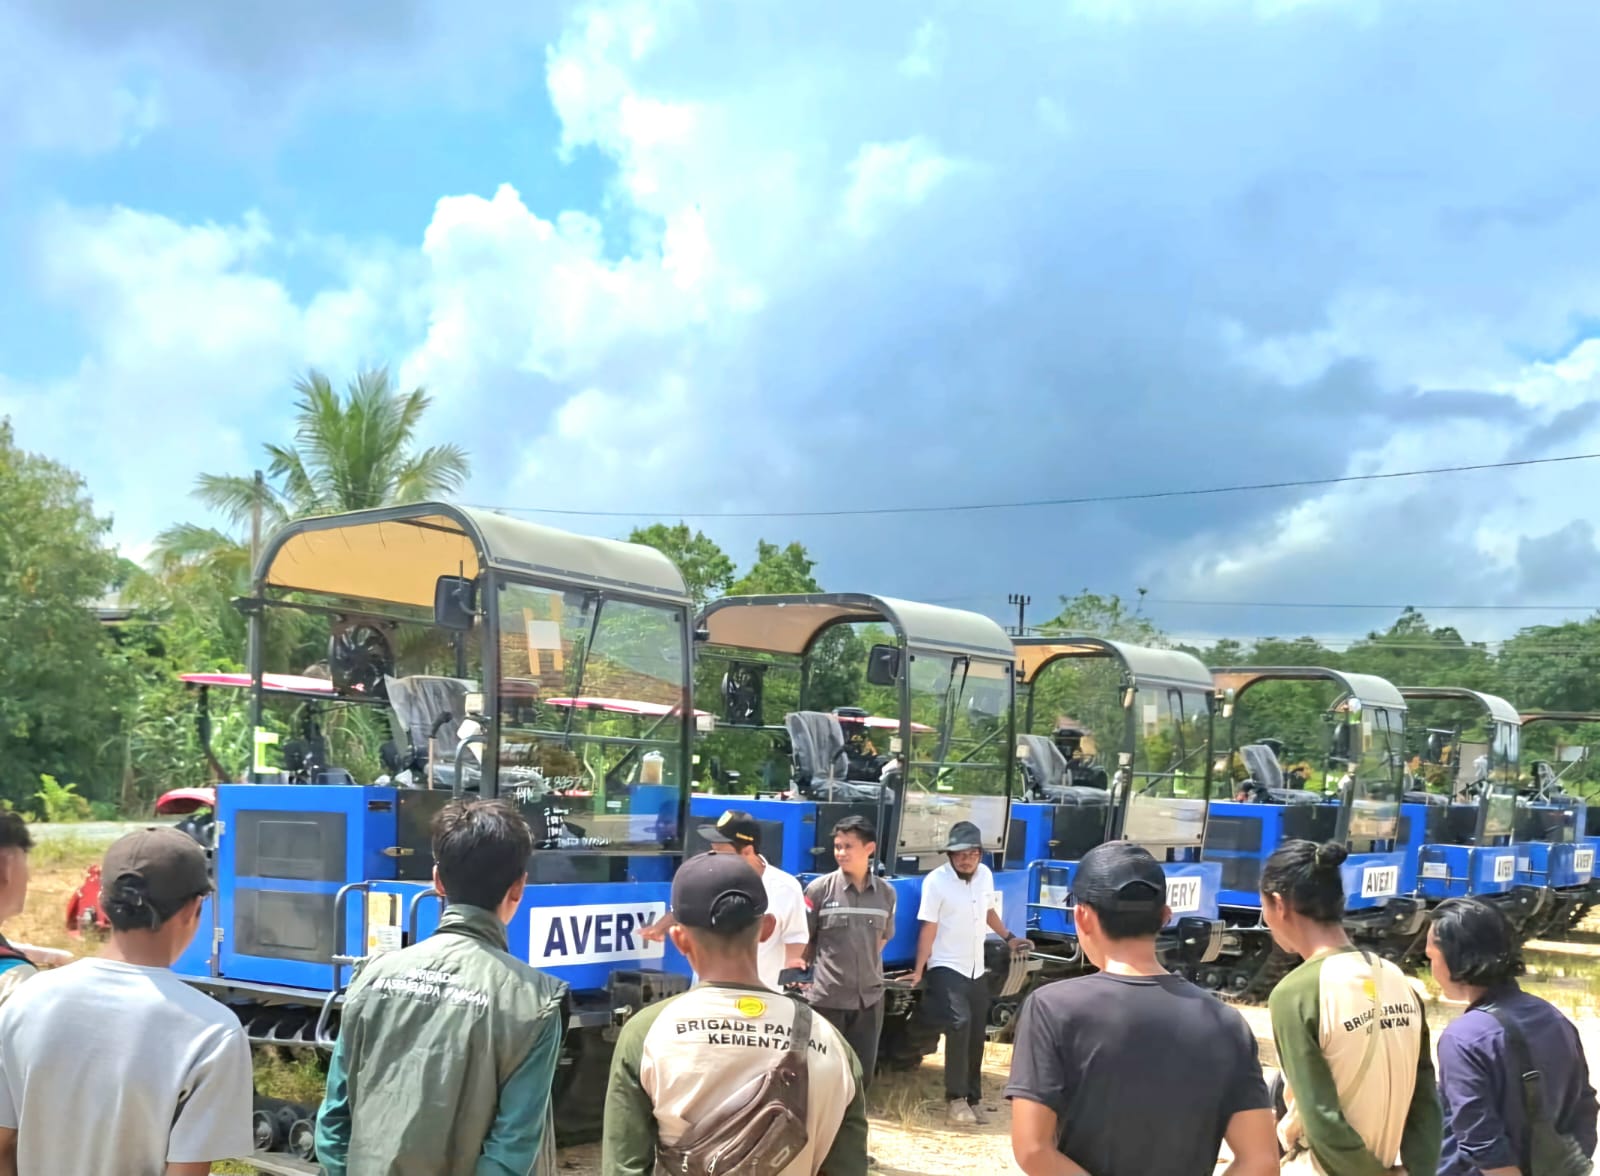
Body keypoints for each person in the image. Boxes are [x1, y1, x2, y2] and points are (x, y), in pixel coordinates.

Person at [315, 798, 568, 1176]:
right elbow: (512, 1151)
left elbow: (334, 1123)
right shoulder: (536, 1001)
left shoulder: (370, 976)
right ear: (519, 887)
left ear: (437, 882)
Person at [1006, 840, 1278, 1176]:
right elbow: (1261, 1161)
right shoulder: (1225, 1022)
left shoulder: (1053, 1009)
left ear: (1083, 917)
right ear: (1165, 916)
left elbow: (1033, 1150)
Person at [0, 825, 253, 1175]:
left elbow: (3, 1147)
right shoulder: (213, 1033)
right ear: (193, 909)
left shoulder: (24, 1000)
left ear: (103, 901)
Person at [602, 851, 870, 1176]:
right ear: (767, 928)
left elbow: (624, 1168)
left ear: (680, 939)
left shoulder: (647, 1034)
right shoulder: (830, 1041)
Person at [1261, 839, 1441, 1176]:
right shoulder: (1398, 981)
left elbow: (1320, 1116)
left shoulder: (1294, 994)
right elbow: (1425, 1101)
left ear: (1278, 904)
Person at [1426, 896, 1597, 1176]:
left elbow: (1483, 1143)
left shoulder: (1463, 1039)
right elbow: (1585, 1107)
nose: (1431, 967)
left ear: (1455, 957)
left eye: (1431, 956)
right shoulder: (1553, 1018)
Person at [908, 820, 1029, 1126]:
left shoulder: (985, 876)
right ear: (949, 854)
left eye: (972, 853)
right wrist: (918, 969)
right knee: (959, 1023)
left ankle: (974, 1099)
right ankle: (956, 1099)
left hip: (975, 965)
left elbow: (988, 911)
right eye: (959, 853)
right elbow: (929, 927)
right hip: (946, 964)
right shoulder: (936, 881)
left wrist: (1009, 936)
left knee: (977, 1030)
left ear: (979, 854)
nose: (966, 858)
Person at [640, 809, 810, 990]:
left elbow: (796, 934)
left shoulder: (786, 887)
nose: (714, 856)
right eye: (713, 849)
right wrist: (659, 928)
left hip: (761, 996)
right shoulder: (707, 876)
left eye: (721, 851)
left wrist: (792, 962)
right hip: (710, 996)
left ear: (747, 851)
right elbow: (684, 910)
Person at [804, 815, 896, 1089]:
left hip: (869, 1001)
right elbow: (805, 942)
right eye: (837, 846)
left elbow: (882, 938)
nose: (841, 853)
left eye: (848, 846)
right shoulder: (819, 890)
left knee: (860, 1078)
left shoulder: (886, 894)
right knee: (823, 1077)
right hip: (827, 1000)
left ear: (869, 849)